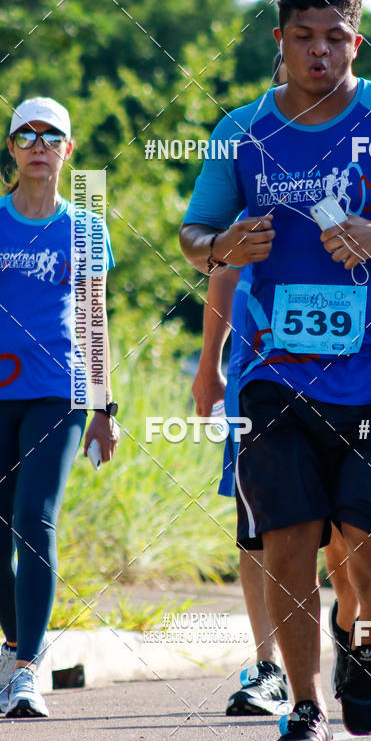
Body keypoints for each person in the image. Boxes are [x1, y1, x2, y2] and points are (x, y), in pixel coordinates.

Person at [180, 0, 371, 740]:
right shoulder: (242, 130)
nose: (319, 52)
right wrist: (220, 246)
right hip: (275, 368)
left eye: (334, 38)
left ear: (357, 42)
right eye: (303, 37)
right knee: (288, 533)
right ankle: (305, 705)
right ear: (279, 41)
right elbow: (195, 233)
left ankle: (366, 645)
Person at [0, 97, 119, 718]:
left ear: (68, 151)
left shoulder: (87, 228)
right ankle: (14, 647)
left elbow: (95, 318)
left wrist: (103, 406)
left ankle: (27, 672)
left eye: (53, 136)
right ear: (13, 148)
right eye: (28, 135)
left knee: (32, 518)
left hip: (59, 391)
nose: (40, 144)